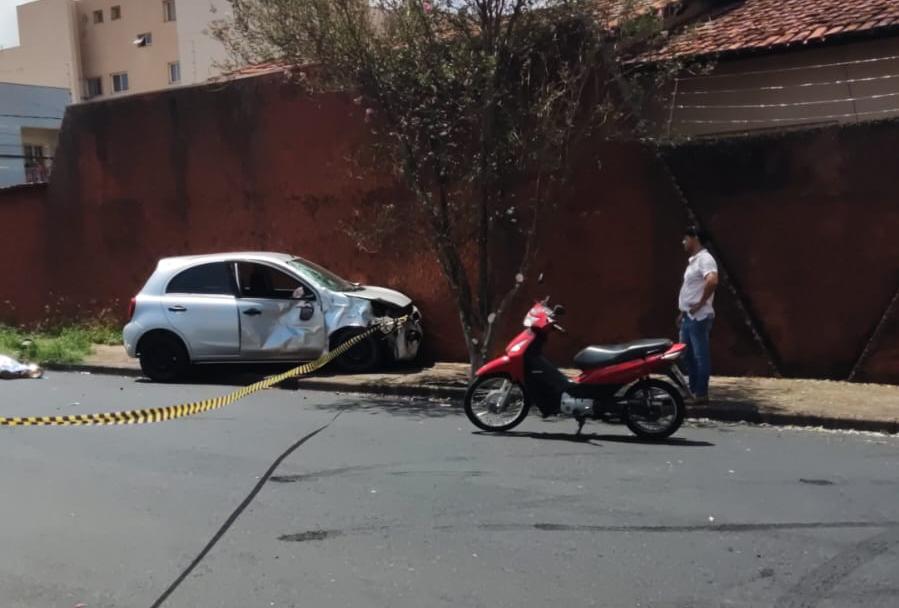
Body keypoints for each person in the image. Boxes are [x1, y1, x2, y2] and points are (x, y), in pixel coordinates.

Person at [677, 226, 719, 404]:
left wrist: (701, 303)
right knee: (686, 354)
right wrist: (683, 312)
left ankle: (701, 393)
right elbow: (691, 289)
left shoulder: (705, 259)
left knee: (700, 356)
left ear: (695, 238)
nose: (684, 242)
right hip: (688, 316)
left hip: (699, 317)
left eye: (686, 238)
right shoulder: (694, 261)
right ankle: (693, 390)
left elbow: (712, 280)